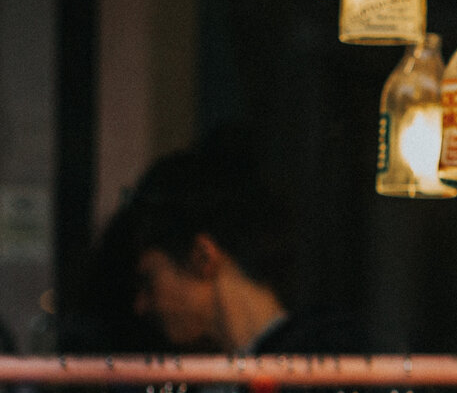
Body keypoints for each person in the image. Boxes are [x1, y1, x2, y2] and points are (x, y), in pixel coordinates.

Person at [118, 134, 359, 354]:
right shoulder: (220, 380)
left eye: (148, 281)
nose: (141, 305)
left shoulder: (317, 369)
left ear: (203, 256)